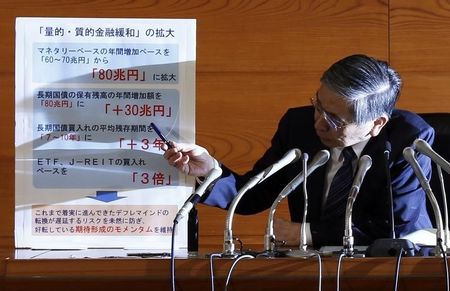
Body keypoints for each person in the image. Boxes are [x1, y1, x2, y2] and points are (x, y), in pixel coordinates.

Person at [163, 54, 434, 248]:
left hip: (395, 265)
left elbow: (397, 226)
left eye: (334, 119)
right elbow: (253, 194)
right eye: (318, 106)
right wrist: (210, 171)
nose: (318, 122)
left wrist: (308, 233)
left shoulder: (408, 139)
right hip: (314, 266)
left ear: (376, 124)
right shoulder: (298, 126)